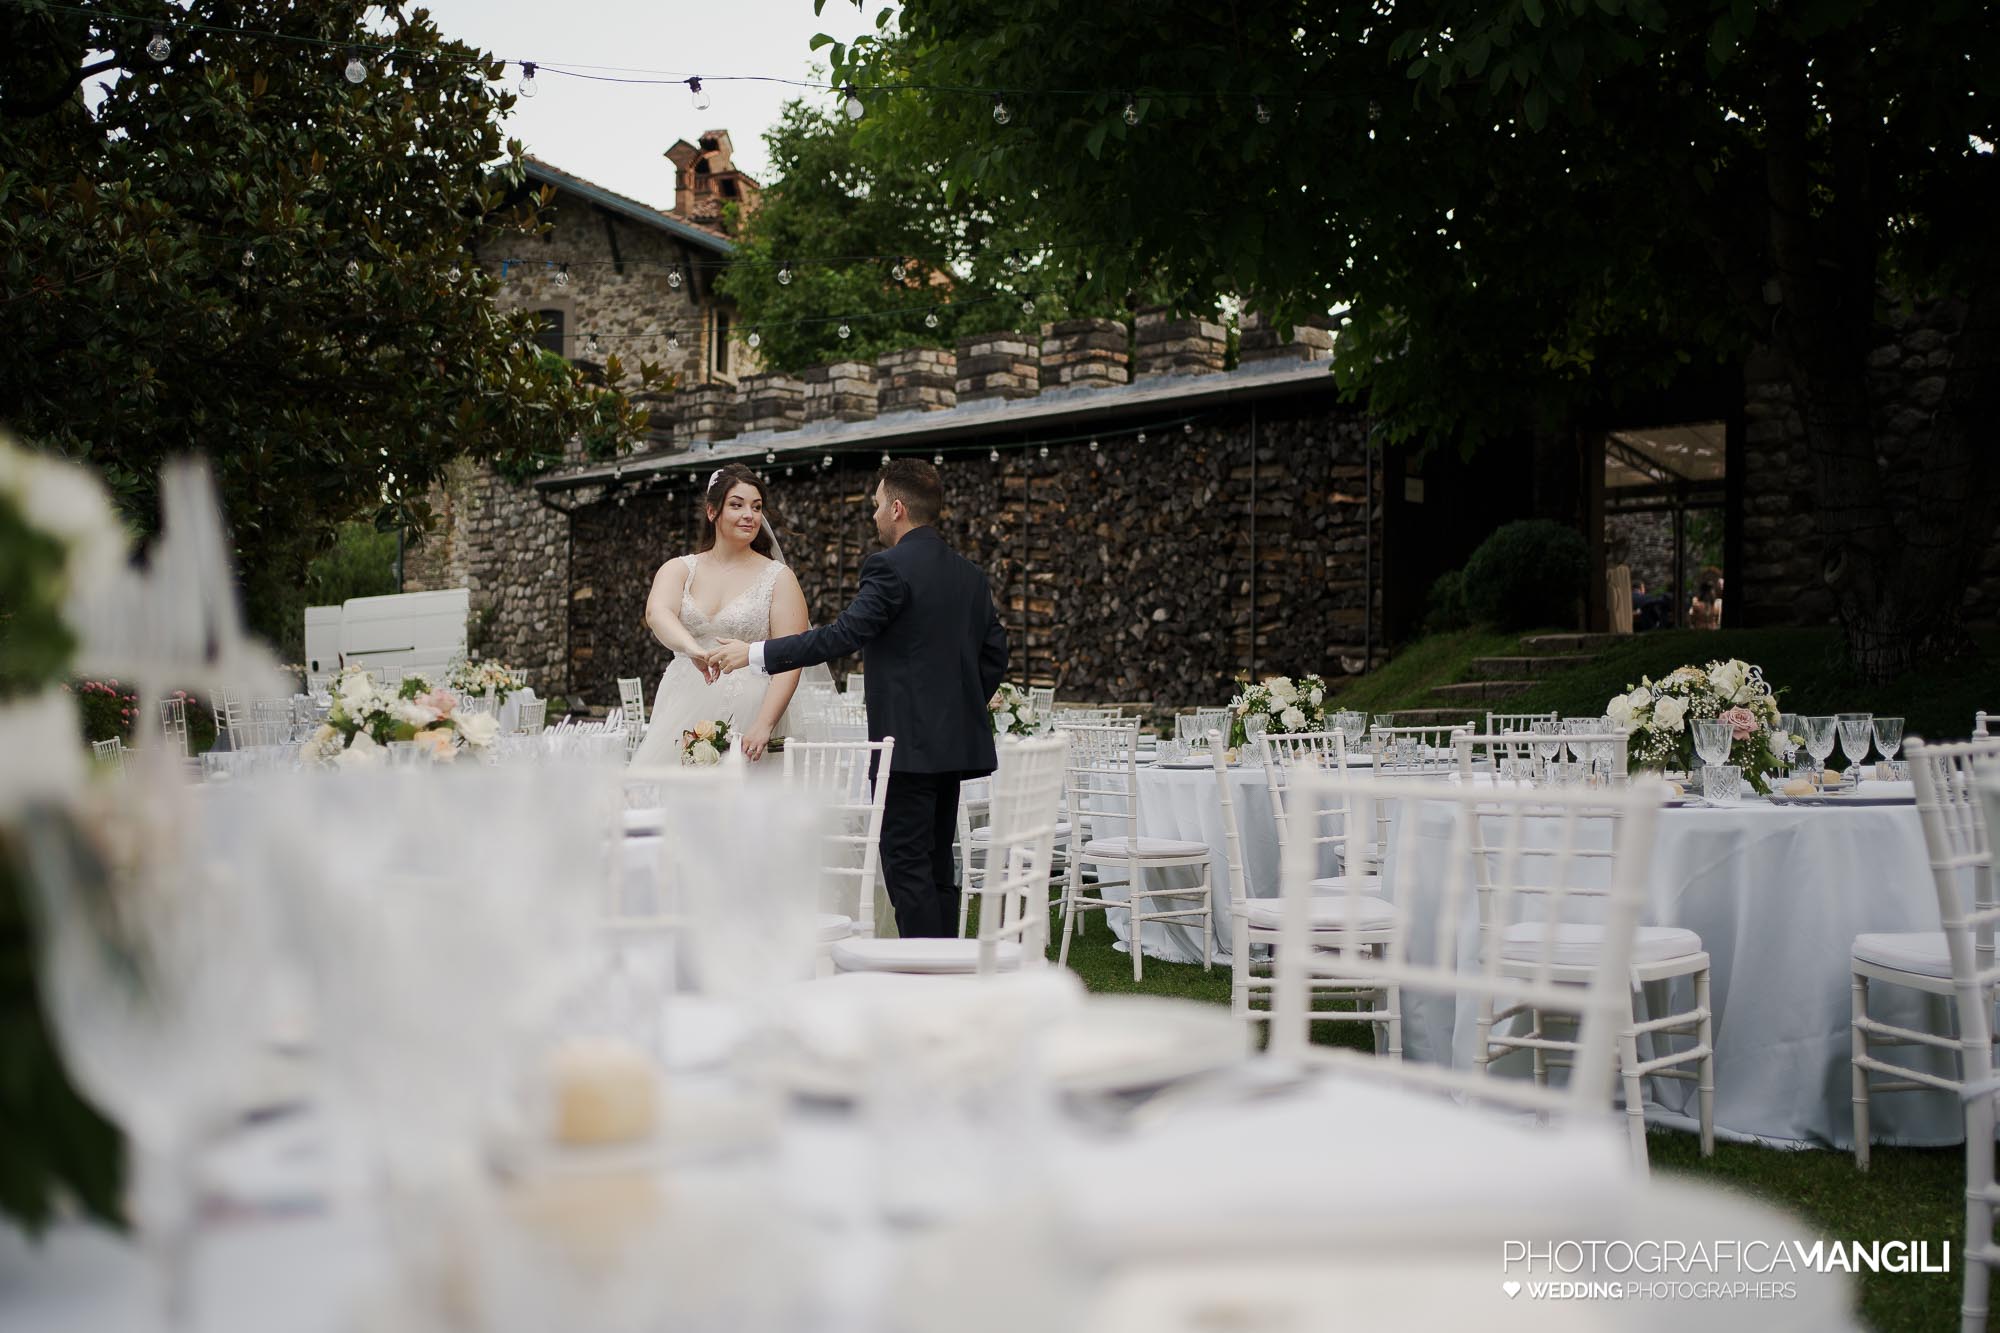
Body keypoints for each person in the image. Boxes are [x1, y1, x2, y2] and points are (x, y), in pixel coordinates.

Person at [712, 459, 1008, 938]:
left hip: (906, 752)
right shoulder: (969, 575)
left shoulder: (889, 567)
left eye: (875, 506)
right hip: (950, 749)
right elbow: (994, 654)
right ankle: (948, 969)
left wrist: (754, 652)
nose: (872, 516)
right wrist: (954, 709)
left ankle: (923, 978)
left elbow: (841, 636)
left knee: (907, 869)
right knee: (936, 867)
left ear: (896, 508)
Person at [629, 464, 817, 766]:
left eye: (756, 507)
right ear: (712, 511)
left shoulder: (779, 578)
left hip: (752, 707)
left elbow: (790, 657)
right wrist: (693, 649)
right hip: (684, 703)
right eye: (737, 505)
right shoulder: (679, 569)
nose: (750, 515)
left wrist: (765, 724)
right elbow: (657, 613)